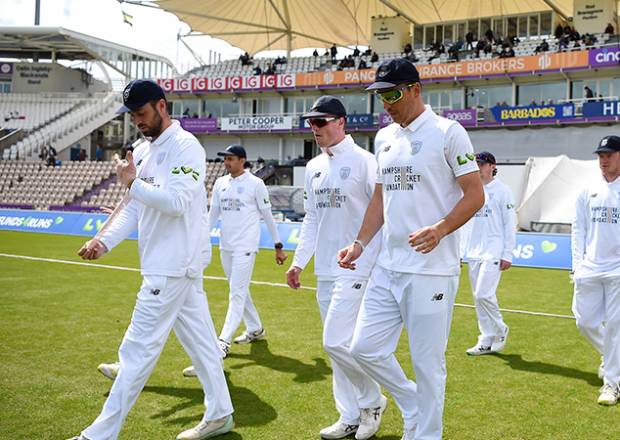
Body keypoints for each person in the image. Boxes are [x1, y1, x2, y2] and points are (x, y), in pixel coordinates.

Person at [67, 79, 234, 440]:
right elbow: (133, 208)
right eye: (132, 116)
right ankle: (220, 414)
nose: (138, 122)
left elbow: (174, 203)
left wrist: (132, 184)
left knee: (135, 350)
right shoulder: (142, 151)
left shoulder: (186, 147)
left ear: (161, 106)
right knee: (203, 346)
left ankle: (99, 434)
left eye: (141, 113)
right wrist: (103, 241)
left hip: (172, 266)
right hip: (172, 265)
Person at [338, 58, 484, 440]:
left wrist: (441, 228)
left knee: (427, 364)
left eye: (392, 93)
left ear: (416, 90)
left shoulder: (448, 132)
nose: (385, 102)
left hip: (431, 269)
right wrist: (359, 243)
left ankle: (426, 433)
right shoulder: (385, 138)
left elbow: (475, 194)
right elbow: (381, 199)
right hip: (388, 266)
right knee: (363, 348)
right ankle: (412, 405)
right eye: (379, 95)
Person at [285, 96, 386, 440]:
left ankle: (372, 401)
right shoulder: (314, 168)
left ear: (341, 122)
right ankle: (349, 416)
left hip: (359, 267)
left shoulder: (365, 162)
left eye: (321, 122)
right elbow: (312, 218)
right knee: (336, 348)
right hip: (325, 270)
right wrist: (299, 262)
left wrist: (369, 255)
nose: (315, 129)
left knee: (336, 342)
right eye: (310, 123)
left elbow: (384, 212)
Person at [193, 144, 287, 363]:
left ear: (242, 160)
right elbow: (213, 213)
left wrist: (278, 245)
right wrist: (200, 239)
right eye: (225, 159)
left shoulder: (256, 184)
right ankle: (255, 328)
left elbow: (268, 215)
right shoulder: (220, 183)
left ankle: (222, 341)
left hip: (246, 247)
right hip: (226, 246)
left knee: (236, 293)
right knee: (239, 290)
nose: (227, 162)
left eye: (231, 158)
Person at [572, 135, 620, 406]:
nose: (603, 159)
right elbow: (578, 228)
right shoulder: (587, 188)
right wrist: (577, 265)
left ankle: (611, 384)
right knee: (584, 322)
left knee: (615, 326)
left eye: (609, 154)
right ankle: (613, 358)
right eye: (601, 155)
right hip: (589, 268)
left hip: (617, 271)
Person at [461, 151, 516, 355]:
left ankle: (500, 328)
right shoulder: (470, 190)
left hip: (493, 251)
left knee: (484, 293)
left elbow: (510, 223)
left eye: (482, 164)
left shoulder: (503, 191)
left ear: (492, 166)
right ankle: (485, 339)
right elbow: (465, 224)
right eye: (476, 164)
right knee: (477, 298)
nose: (478, 168)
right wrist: (460, 252)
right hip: (474, 252)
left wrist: (507, 253)